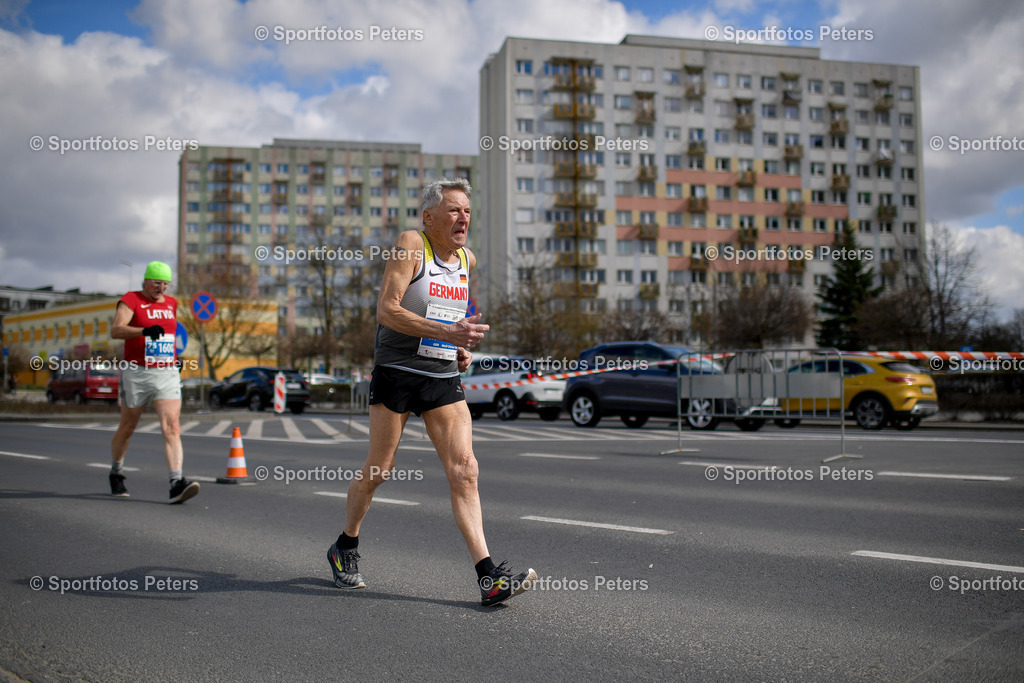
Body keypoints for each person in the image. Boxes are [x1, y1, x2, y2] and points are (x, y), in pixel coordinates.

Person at [327, 178, 537, 606]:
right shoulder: (410, 244)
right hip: (398, 371)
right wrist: (447, 331)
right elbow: (388, 309)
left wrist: (458, 346)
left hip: (441, 377)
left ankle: (488, 576)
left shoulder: (465, 259)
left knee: (466, 469)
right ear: (429, 217)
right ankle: (344, 546)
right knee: (379, 470)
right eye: (455, 209)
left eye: (467, 210)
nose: (464, 217)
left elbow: (451, 311)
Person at [109, 261, 199, 504]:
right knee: (128, 427)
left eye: (165, 284)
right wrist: (143, 331)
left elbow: (169, 334)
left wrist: (175, 358)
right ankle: (116, 472)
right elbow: (116, 330)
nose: (161, 288)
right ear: (146, 281)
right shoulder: (131, 300)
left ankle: (176, 482)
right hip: (136, 372)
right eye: (157, 282)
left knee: (172, 425)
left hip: (165, 372)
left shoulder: (171, 303)